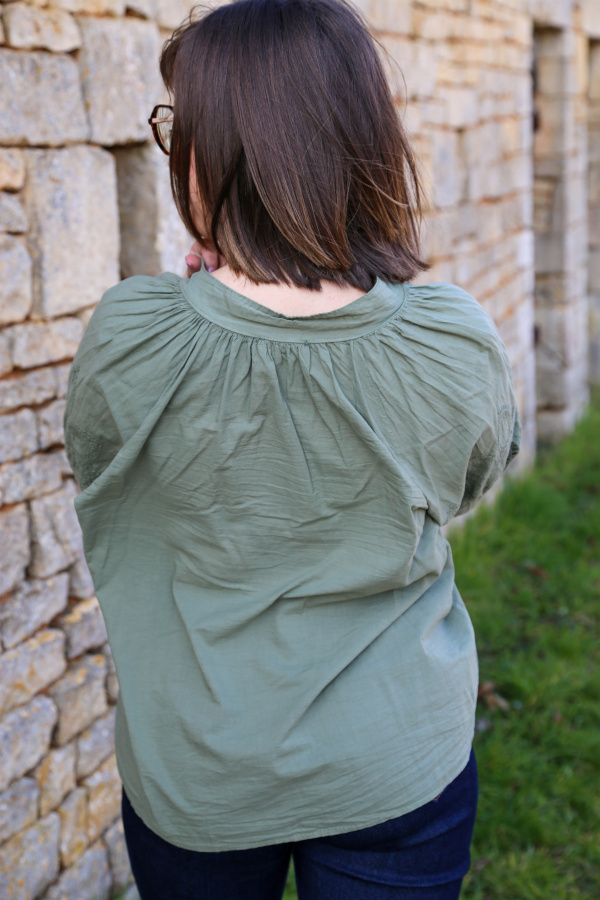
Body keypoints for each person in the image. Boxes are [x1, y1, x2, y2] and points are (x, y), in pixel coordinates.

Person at [63, 0, 521, 897]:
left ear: (219, 152)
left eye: (179, 129)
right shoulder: (449, 338)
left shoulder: (133, 336)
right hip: (396, 756)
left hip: (202, 766)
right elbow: (467, 480)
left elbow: (104, 466)